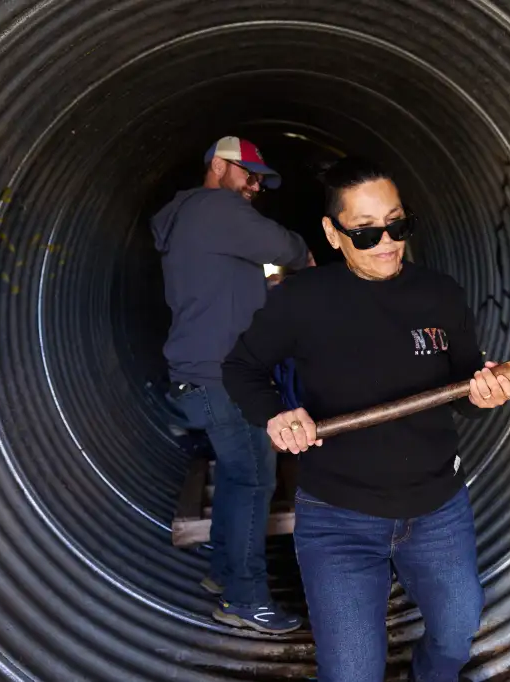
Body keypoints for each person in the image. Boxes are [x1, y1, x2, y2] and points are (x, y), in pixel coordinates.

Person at [222, 156, 510, 682]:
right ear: (332, 235)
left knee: (457, 627)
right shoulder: (302, 300)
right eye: (365, 232)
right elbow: (242, 368)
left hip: (438, 510)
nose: (386, 242)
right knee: (352, 670)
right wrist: (276, 415)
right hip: (339, 518)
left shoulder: (440, 294)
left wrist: (486, 392)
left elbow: (465, 386)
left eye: (397, 225)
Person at [150, 135, 313, 634]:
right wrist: (304, 260)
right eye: (249, 173)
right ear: (219, 165)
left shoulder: (190, 218)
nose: (256, 185)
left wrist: (267, 289)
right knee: (254, 480)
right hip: (222, 376)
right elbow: (288, 247)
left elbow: (219, 289)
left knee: (238, 477)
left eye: (261, 178)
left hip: (202, 371)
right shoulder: (217, 207)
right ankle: (246, 598)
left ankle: (224, 575)